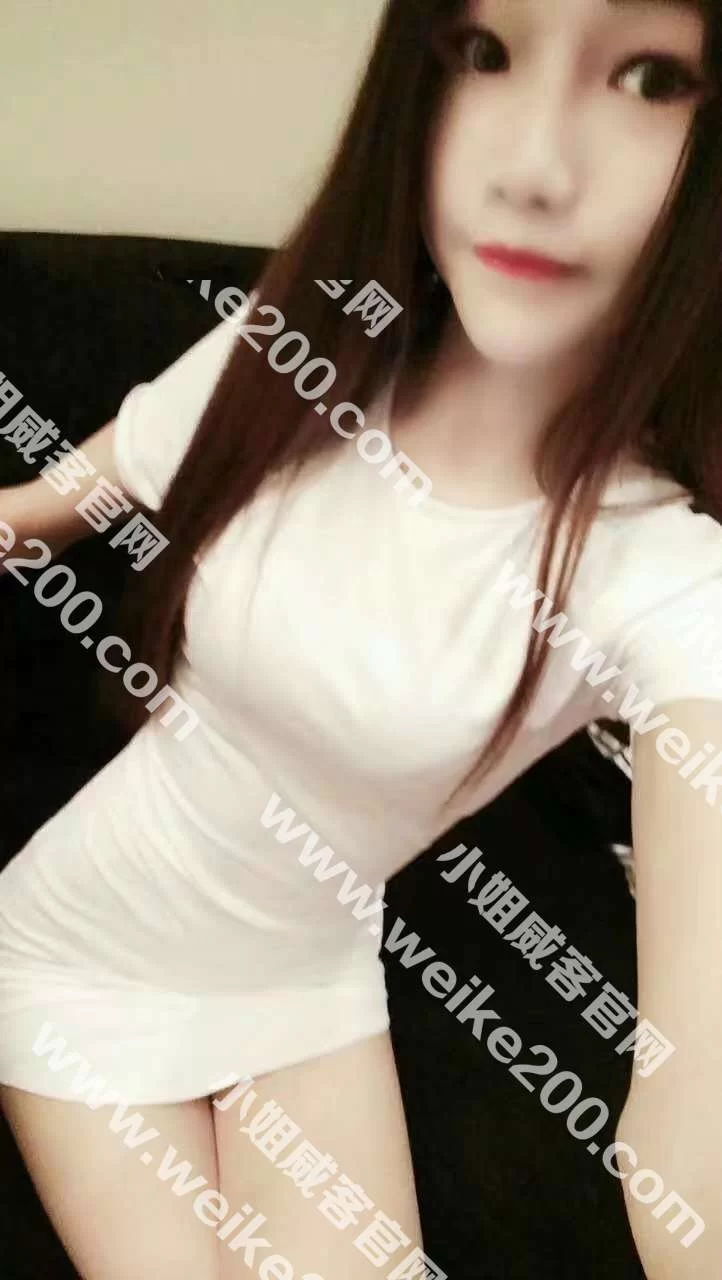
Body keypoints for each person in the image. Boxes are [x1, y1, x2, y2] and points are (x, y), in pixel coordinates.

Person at [1, 0, 722, 1275]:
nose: (533, 165)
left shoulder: (656, 570)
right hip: (78, 955)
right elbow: (47, 504)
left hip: (305, 979)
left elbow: (693, 1115)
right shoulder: (300, 354)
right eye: (484, 53)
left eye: (650, 77)